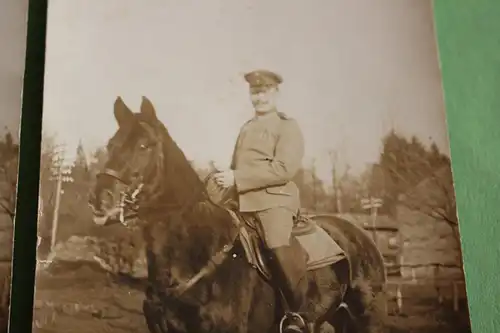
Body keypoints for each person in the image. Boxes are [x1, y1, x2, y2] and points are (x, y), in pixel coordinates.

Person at [214, 69, 308, 333]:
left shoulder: (287, 126)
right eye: (255, 92)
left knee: (277, 246)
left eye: (264, 91)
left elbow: (283, 170)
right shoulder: (247, 128)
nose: (259, 97)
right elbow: (236, 167)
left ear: (276, 93)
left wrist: (237, 178)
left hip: (274, 202)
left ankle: (297, 314)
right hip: (242, 202)